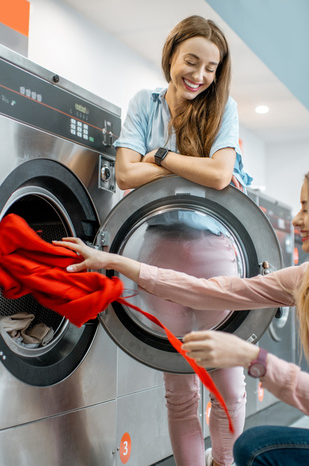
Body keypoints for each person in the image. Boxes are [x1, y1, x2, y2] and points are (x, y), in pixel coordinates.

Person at [55, 164, 309, 466]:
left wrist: (251, 358)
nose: (297, 218)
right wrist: (120, 263)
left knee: (258, 447)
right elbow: (218, 289)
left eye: (308, 208)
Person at [111, 15, 251, 466]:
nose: (199, 76)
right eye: (191, 61)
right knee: (180, 387)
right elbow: (125, 174)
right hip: (159, 252)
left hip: (215, 253)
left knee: (228, 383)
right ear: (171, 54)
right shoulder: (144, 103)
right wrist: (189, 165)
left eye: (211, 67)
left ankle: (223, 461)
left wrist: (163, 156)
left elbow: (220, 173)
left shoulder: (221, 107)